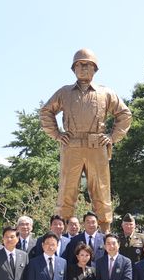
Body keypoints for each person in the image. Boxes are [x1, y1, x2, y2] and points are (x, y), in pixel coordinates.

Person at [39, 48, 132, 233]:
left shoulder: (105, 92)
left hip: (97, 146)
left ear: (95, 69)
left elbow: (124, 114)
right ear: (73, 68)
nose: (83, 68)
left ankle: (105, 232)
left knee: (101, 190)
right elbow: (46, 111)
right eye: (79, 64)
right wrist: (57, 134)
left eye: (88, 64)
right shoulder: (64, 92)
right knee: (66, 190)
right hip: (71, 146)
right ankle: (61, 233)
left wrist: (112, 137)